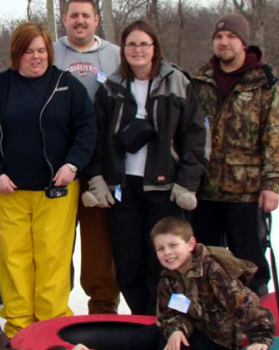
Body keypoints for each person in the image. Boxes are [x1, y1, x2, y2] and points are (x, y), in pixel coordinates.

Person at [0, 22, 96, 337]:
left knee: (52, 258)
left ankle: (52, 324)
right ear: (17, 53)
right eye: (29, 51)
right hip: (10, 190)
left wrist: (73, 165)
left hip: (56, 190)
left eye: (41, 50)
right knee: (15, 260)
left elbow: (87, 127)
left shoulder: (66, 85)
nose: (36, 57)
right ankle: (18, 328)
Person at [84, 19, 208, 316]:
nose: (137, 50)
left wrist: (187, 182)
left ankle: (168, 321)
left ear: (155, 47)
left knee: (162, 261)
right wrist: (97, 178)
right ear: (122, 49)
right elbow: (96, 138)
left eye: (143, 44)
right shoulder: (111, 87)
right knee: (128, 263)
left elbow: (196, 136)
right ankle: (142, 320)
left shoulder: (177, 81)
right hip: (124, 188)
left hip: (165, 189)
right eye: (131, 44)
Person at [190, 13, 279, 296]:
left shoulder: (263, 82)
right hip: (205, 190)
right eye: (219, 37)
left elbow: (276, 136)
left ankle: (258, 318)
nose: (224, 42)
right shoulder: (200, 79)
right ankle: (214, 319)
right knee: (206, 261)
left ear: (243, 42)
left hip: (246, 192)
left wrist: (272, 184)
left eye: (231, 37)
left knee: (250, 262)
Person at [53, 0, 121, 314]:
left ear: (96, 19)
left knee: (99, 243)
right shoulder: (49, 52)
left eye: (86, 16)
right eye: (74, 16)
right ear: (64, 19)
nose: (80, 21)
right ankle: (53, 306)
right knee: (56, 242)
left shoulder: (115, 55)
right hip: (58, 162)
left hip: (99, 164)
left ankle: (104, 307)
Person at [131, 216, 274, 350]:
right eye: (160, 249)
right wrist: (176, 329)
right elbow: (170, 314)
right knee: (146, 337)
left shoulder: (213, 271)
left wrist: (260, 339)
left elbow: (245, 304)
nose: (167, 252)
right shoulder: (168, 279)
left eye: (173, 245)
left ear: (191, 244)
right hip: (195, 332)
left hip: (220, 342)